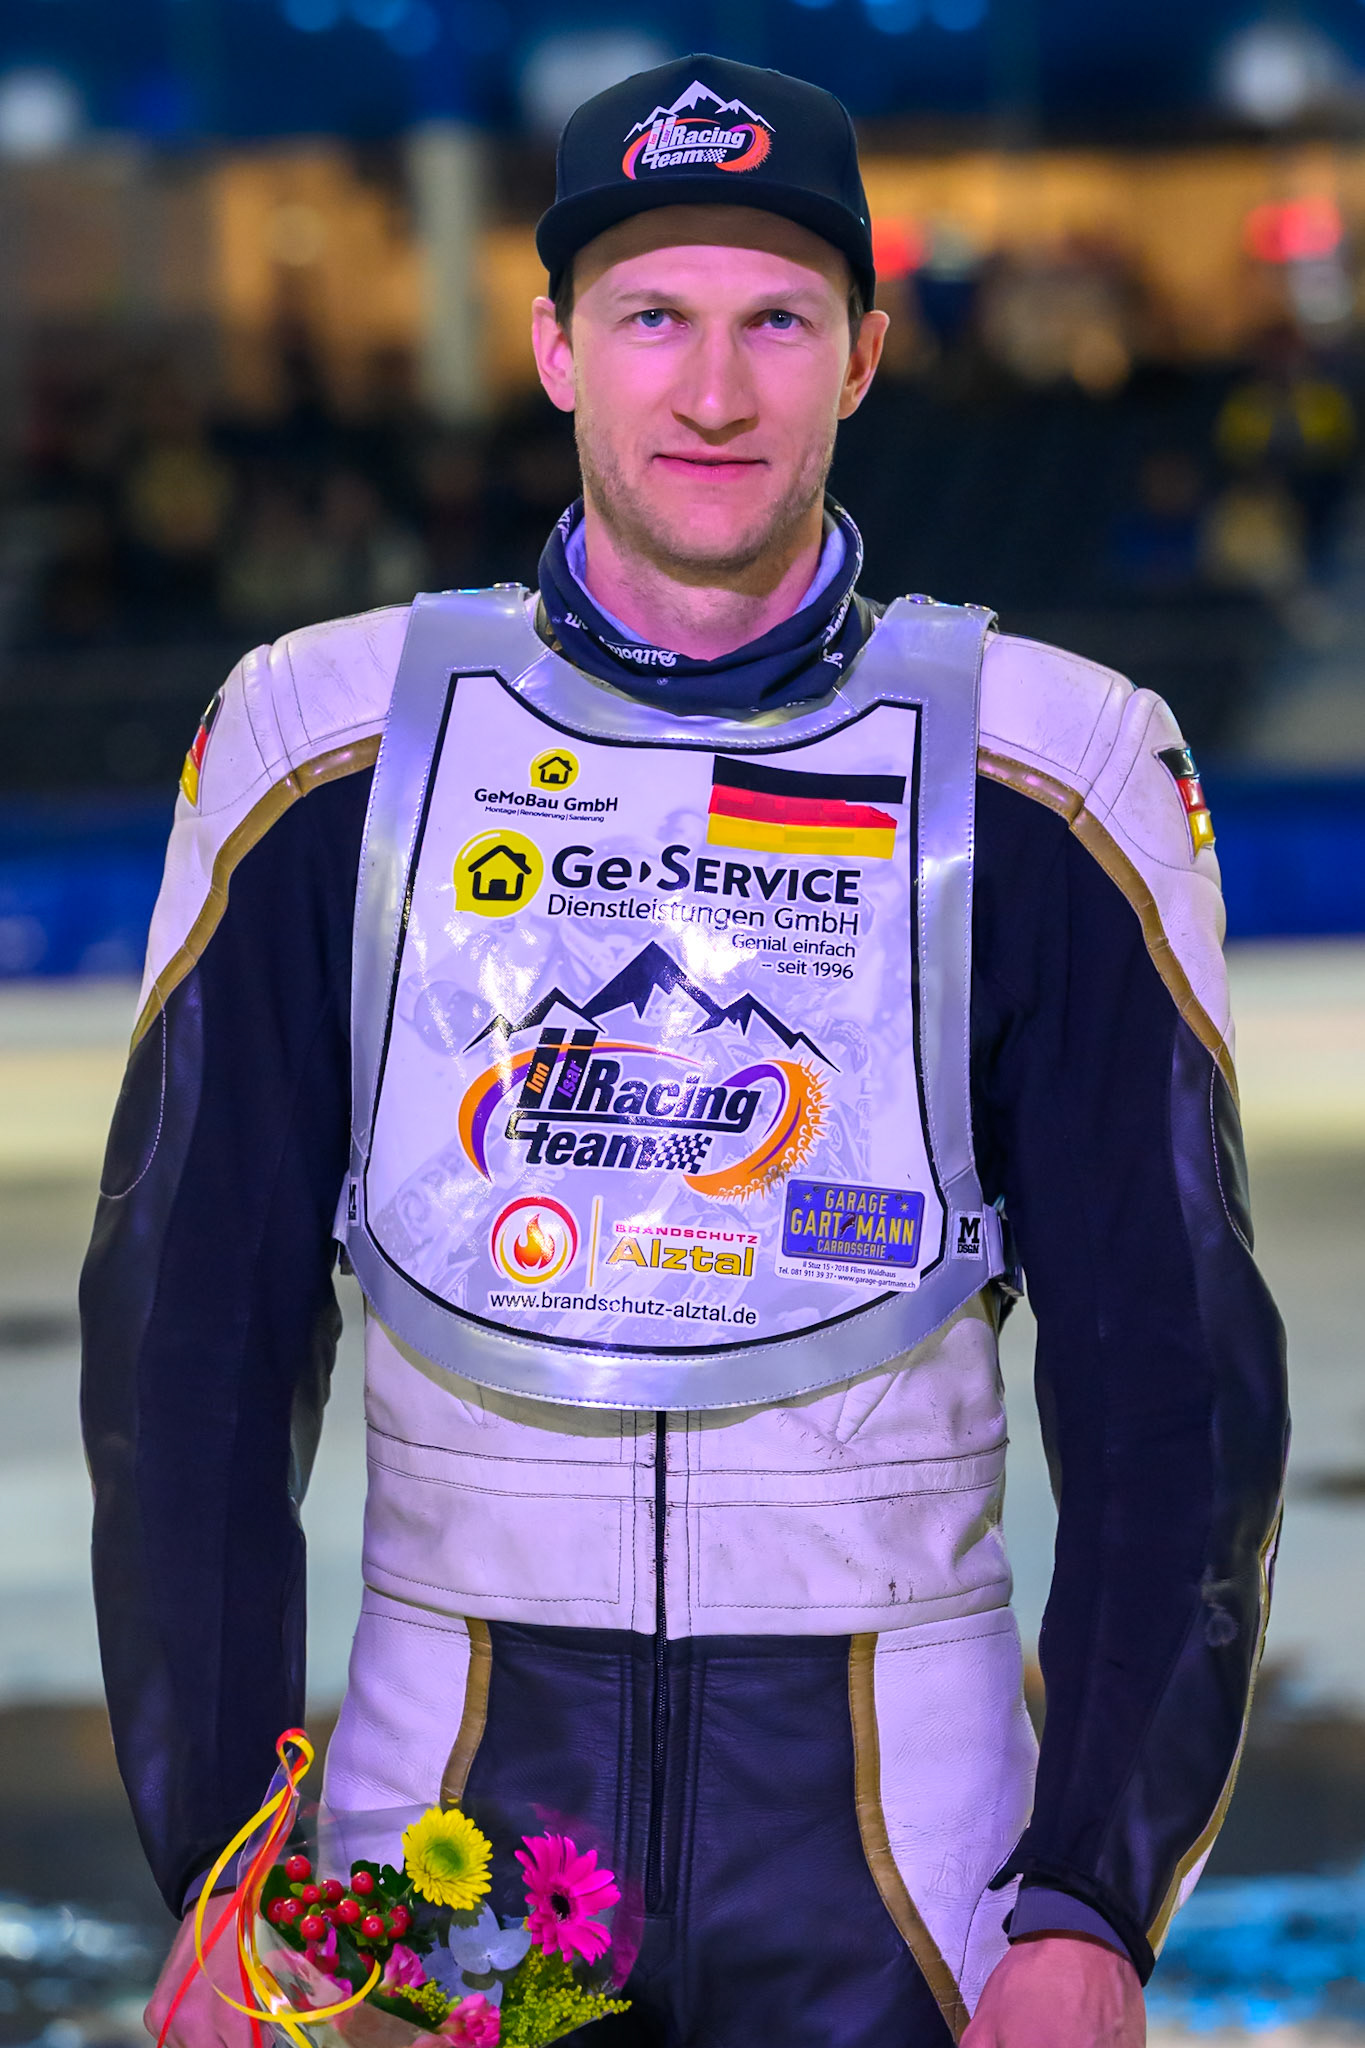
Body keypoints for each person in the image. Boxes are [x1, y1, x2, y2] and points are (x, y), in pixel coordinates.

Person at [81, 54, 1287, 2048]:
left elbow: (1170, 1389)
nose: (708, 391)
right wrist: (220, 1847)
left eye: (772, 322)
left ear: (864, 354)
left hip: (904, 1856)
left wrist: (1087, 1889)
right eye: (650, 316)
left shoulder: (1048, 765)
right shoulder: (323, 739)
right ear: (554, 346)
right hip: (440, 1831)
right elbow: (186, 1348)